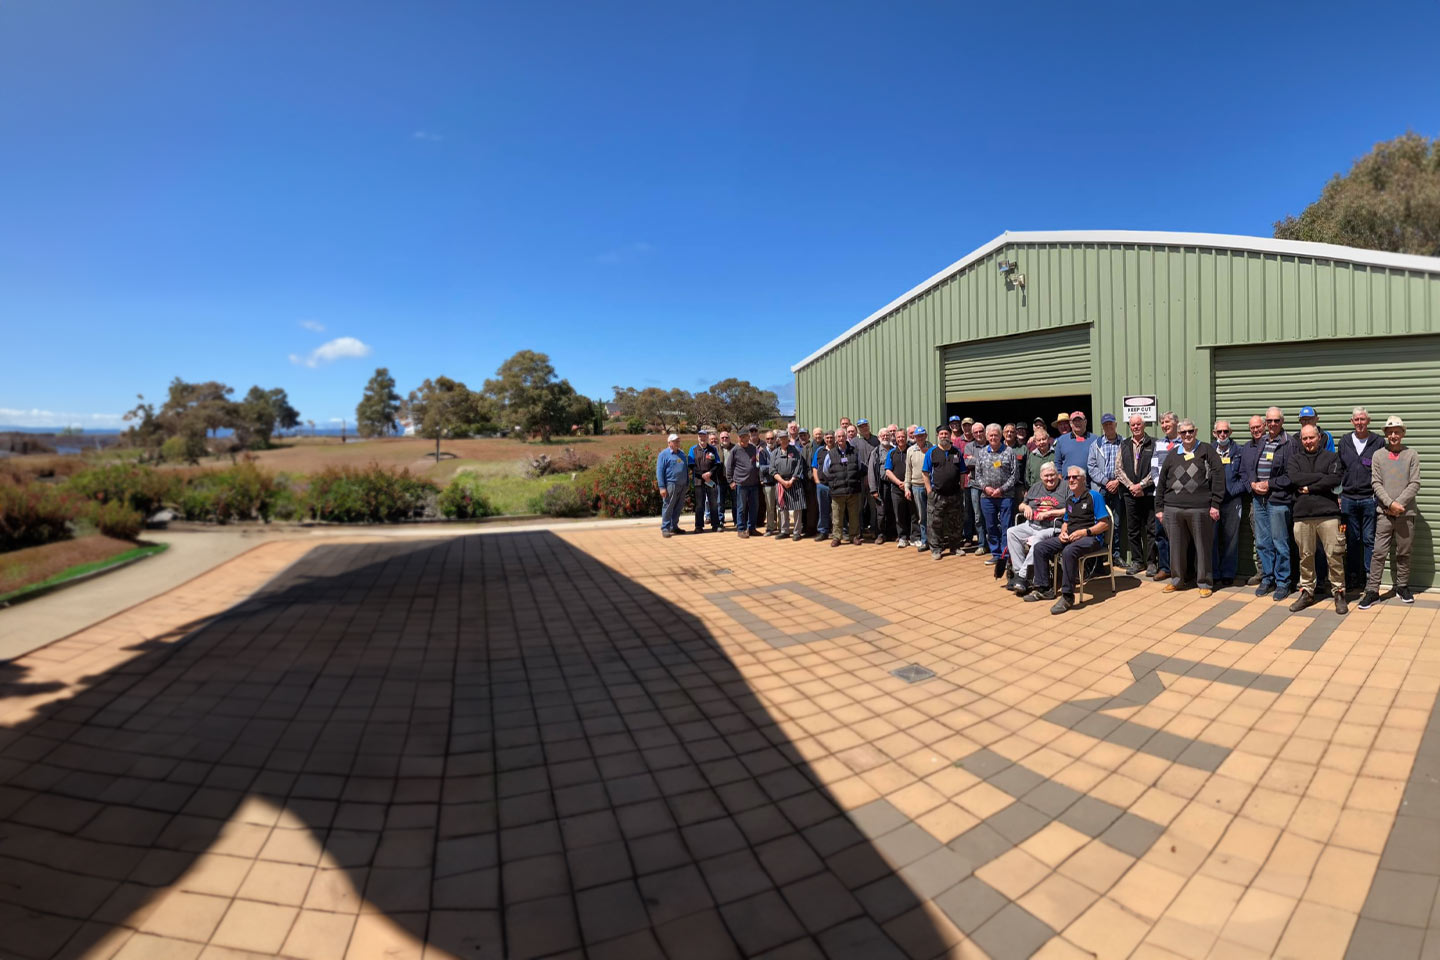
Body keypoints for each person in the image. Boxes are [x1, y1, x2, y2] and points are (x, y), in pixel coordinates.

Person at [1273, 424, 1345, 614]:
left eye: (1311, 438)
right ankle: (1307, 592)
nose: (1308, 442)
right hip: (1302, 515)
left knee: (1334, 554)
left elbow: (1335, 479)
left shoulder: (1332, 457)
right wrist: (1321, 478)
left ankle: (1338, 592)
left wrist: (1310, 487)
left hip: (1328, 514)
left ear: (1319, 438)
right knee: (1305, 555)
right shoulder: (1294, 459)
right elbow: (1295, 478)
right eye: (1304, 438)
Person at [1025, 465, 1112, 615]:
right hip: (1070, 537)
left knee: (1068, 551)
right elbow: (1066, 521)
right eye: (1068, 477)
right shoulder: (1070, 499)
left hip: (1090, 538)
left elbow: (1105, 524)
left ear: (1083, 479)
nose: (1071, 480)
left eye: (1075, 477)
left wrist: (1085, 532)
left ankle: (1067, 596)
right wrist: (1063, 533)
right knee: (1040, 547)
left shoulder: (1094, 496)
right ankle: (1044, 589)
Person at [1155, 418, 1224, 597]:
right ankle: (1177, 580)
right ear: (1179, 435)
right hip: (1172, 508)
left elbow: (1218, 475)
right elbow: (1162, 481)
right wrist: (1159, 509)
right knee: (1175, 548)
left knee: (1203, 547)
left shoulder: (1206, 450)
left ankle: (1205, 582)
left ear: (1196, 431)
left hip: (1200, 508)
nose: (1187, 435)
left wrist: (1215, 504)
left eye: (1190, 431)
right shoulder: (1172, 454)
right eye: (1184, 432)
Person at [1359, 416, 1421, 609]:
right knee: (1378, 553)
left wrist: (1398, 504)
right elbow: (1376, 482)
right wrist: (1389, 504)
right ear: (1385, 434)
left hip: (1405, 513)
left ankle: (1402, 586)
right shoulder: (1378, 455)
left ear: (1403, 433)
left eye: (1397, 431)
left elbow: (1415, 483)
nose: (1393, 435)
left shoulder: (1412, 455)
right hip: (1384, 513)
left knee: (1404, 552)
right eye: (1390, 432)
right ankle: (1372, 591)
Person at [1247, 407, 1296, 602]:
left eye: (1276, 421)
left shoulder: (1289, 443)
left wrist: (1269, 484)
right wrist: (1253, 483)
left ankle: (1283, 582)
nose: (1272, 424)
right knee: (1262, 542)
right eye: (1270, 421)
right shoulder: (1262, 442)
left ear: (1282, 422)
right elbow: (1252, 467)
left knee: (1280, 543)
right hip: (1259, 500)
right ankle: (1267, 578)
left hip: (1278, 500)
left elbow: (1291, 476)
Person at [1338, 407, 1385, 592]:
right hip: (1348, 498)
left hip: (1369, 498)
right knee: (1351, 539)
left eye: (1362, 419)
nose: (1359, 423)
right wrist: (1339, 495)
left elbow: (1382, 471)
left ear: (1368, 421)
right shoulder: (1345, 441)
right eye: (1356, 419)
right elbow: (1339, 469)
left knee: (1368, 539)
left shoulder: (1378, 442)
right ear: (1352, 422)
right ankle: (1352, 577)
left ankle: (1368, 578)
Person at [1005, 462, 1065, 595]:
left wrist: (1051, 513)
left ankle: (1021, 577)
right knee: (1011, 532)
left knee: (1039, 538)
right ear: (1041, 477)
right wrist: (1025, 507)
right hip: (1031, 524)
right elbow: (1021, 505)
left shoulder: (1065, 487)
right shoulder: (1035, 487)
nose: (1049, 479)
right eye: (1046, 476)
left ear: (1057, 475)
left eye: (1052, 475)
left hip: (1052, 527)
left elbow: (1071, 509)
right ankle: (1020, 573)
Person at [972, 423, 1023, 567]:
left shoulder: (1009, 452)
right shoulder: (982, 453)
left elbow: (1015, 475)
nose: (993, 437)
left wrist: (1001, 489)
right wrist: (986, 488)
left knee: (1007, 526)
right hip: (986, 497)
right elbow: (978, 475)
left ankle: (1005, 555)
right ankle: (995, 554)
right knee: (991, 525)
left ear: (1001, 436)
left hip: (1005, 496)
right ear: (987, 437)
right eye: (991, 435)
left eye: (996, 435)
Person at [1117, 414, 1155, 575]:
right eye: (1133, 425)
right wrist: (1131, 486)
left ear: (1144, 425)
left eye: (1138, 424)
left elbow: (1156, 469)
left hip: (1147, 493)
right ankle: (1138, 561)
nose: (1136, 427)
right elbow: (1118, 469)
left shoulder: (1153, 443)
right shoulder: (1124, 444)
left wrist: (1141, 485)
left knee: (1151, 529)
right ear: (1129, 426)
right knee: (1133, 529)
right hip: (1129, 493)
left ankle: (1152, 562)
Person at [1211, 419, 1246, 587]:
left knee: (1231, 539)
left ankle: (1227, 573)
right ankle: (1214, 572)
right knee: (1212, 539)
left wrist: (1232, 491)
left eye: (1226, 432)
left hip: (1233, 502)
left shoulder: (1239, 451)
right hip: (1213, 503)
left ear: (1230, 433)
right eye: (1219, 432)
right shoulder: (1209, 450)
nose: (1223, 435)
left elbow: (1245, 477)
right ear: (1214, 433)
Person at [923, 425, 967, 560]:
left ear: (950, 435)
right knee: (934, 523)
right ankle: (936, 549)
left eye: (946, 434)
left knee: (956, 522)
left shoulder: (957, 452)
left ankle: (955, 547)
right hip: (937, 495)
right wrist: (929, 490)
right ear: (937, 436)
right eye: (941, 434)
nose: (944, 436)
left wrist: (961, 487)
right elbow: (925, 472)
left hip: (954, 494)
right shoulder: (931, 452)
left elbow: (962, 471)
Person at [1086, 414, 1125, 563]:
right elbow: (1091, 466)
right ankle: (1100, 557)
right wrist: (1106, 481)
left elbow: (1127, 466)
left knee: (1117, 521)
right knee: (1100, 521)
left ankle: (1115, 555)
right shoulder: (1096, 444)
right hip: (1101, 488)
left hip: (1118, 488)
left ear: (1115, 425)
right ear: (1102, 427)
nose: (1108, 427)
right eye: (1105, 425)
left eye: (1111, 424)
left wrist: (1117, 482)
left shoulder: (1124, 443)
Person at [1149, 412, 1182, 580]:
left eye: (1167, 421)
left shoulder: (1185, 442)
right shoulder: (1159, 444)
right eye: (1162, 422)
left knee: (1181, 534)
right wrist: (1161, 486)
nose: (1164, 425)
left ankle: (1182, 569)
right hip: (1160, 496)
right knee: (1161, 534)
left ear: (1176, 423)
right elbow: (1154, 467)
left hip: (1179, 495)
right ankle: (1165, 567)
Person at [824, 426, 865, 546]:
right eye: (839, 437)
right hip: (837, 491)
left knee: (854, 515)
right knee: (837, 516)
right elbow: (826, 471)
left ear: (846, 437)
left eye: (843, 436)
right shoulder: (830, 454)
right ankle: (837, 537)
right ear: (836, 439)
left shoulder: (855, 451)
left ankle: (854, 536)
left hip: (852, 489)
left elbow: (858, 466)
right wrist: (836, 481)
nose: (841, 438)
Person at [1241, 415, 1266, 585]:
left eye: (1258, 427)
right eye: (1252, 428)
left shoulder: (1273, 444)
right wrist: (1251, 485)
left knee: (1277, 539)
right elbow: (1242, 472)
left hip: (1274, 499)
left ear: (1264, 426)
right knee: (1259, 538)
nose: (1256, 430)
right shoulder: (1246, 448)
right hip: (1254, 499)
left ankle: (1278, 576)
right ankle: (1262, 572)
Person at [726, 425, 762, 538]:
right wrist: (731, 481)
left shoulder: (752, 448)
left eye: (746, 437)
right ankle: (741, 529)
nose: (743, 439)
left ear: (748, 437)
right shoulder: (734, 450)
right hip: (741, 484)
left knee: (754, 507)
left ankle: (751, 528)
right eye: (741, 437)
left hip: (753, 484)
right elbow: (729, 467)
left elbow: (757, 462)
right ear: (738, 438)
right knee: (741, 508)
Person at [772, 429, 807, 541]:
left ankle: (797, 532)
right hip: (781, 483)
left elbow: (799, 466)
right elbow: (772, 470)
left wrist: (791, 480)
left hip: (794, 482)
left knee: (797, 508)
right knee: (783, 508)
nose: (783, 440)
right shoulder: (774, 453)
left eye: (785, 438)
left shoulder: (795, 450)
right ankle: (784, 531)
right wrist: (782, 481)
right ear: (778, 440)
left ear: (788, 439)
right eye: (781, 438)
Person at [655, 433, 691, 538]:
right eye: (675, 441)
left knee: (678, 507)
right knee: (668, 506)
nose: (677, 443)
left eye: (678, 441)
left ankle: (674, 526)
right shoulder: (663, 454)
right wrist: (662, 487)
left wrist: (687, 482)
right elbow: (659, 471)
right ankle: (665, 528)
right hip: (671, 484)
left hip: (682, 485)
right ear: (669, 443)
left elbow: (685, 469)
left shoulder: (682, 454)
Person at [883, 429, 913, 549]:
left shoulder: (911, 451)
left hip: (911, 487)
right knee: (899, 514)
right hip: (896, 488)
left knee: (913, 513)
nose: (901, 439)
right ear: (895, 438)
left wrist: (907, 483)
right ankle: (902, 537)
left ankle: (914, 537)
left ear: (906, 438)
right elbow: (888, 471)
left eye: (902, 437)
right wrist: (899, 482)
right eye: (898, 437)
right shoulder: (891, 453)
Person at [689, 427, 722, 532]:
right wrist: (702, 474)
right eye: (700, 436)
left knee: (713, 503)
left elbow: (717, 464)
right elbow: (691, 465)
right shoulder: (693, 449)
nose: (702, 438)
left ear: (706, 437)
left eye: (704, 436)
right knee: (699, 504)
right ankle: (699, 526)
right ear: (698, 437)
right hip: (699, 481)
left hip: (711, 481)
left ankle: (715, 525)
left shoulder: (713, 449)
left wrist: (710, 473)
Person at [867, 424, 895, 544]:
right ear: (878, 437)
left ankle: (893, 533)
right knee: (881, 511)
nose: (885, 437)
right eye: (882, 435)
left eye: (887, 435)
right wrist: (873, 489)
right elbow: (871, 471)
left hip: (894, 485)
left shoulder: (895, 450)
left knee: (894, 510)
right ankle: (881, 534)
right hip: (881, 485)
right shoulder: (876, 452)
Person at [963, 421, 987, 553]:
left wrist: (975, 459)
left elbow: (998, 462)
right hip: (975, 485)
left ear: (984, 432)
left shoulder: (992, 444)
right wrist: (986, 460)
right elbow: (967, 462)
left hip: (992, 486)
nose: (978, 434)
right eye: (975, 432)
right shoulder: (969, 446)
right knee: (978, 516)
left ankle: (993, 542)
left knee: (991, 515)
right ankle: (982, 544)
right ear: (972, 434)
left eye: (980, 431)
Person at [906, 426, 932, 551]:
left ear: (926, 436)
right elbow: (908, 471)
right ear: (914, 437)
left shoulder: (933, 448)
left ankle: (936, 541)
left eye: (922, 435)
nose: (920, 438)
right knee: (922, 516)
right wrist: (907, 487)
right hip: (917, 486)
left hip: (931, 486)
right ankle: (924, 540)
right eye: (917, 436)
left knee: (934, 514)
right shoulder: (910, 450)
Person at [1053, 411, 1096, 482]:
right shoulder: (1061, 440)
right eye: (1075, 421)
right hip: (1067, 484)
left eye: (1080, 421)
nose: (1077, 423)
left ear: (1085, 422)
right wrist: (1060, 483)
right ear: (1070, 423)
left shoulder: (1094, 439)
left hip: (1089, 484)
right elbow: (1057, 463)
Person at [810, 428, 835, 541]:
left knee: (837, 510)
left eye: (831, 438)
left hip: (836, 486)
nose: (829, 440)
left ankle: (838, 531)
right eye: (827, 438)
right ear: (825, 439)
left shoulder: (838, 450)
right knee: (823, 509)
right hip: (822, 485)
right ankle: (823, 531)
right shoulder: (819, 451)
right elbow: (814, 467)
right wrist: (817, 482)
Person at [758, 430, 778, 536]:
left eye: (772, 438)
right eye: (768, 439)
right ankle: (770, 528)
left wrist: (769, 467)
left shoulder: (780, 450)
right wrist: (774, 467)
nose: (770, 440)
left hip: (779, 482)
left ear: (775, 439)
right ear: (765, 440)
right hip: (768, 483)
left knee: (781, 507)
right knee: (770, 507)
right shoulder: (762, 452)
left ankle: (782, 527)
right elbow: (762, 468)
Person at [716, 428, 736, 527]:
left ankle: (737, 520)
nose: (724, 439)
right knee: (720, 501)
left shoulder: (735, 448)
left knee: (735, 501)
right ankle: (720, 520)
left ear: (729, 438)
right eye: (722, 437)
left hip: (733, 479)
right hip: (721, 479)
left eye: (726, 437)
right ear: (720, 439)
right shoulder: (716, 449)